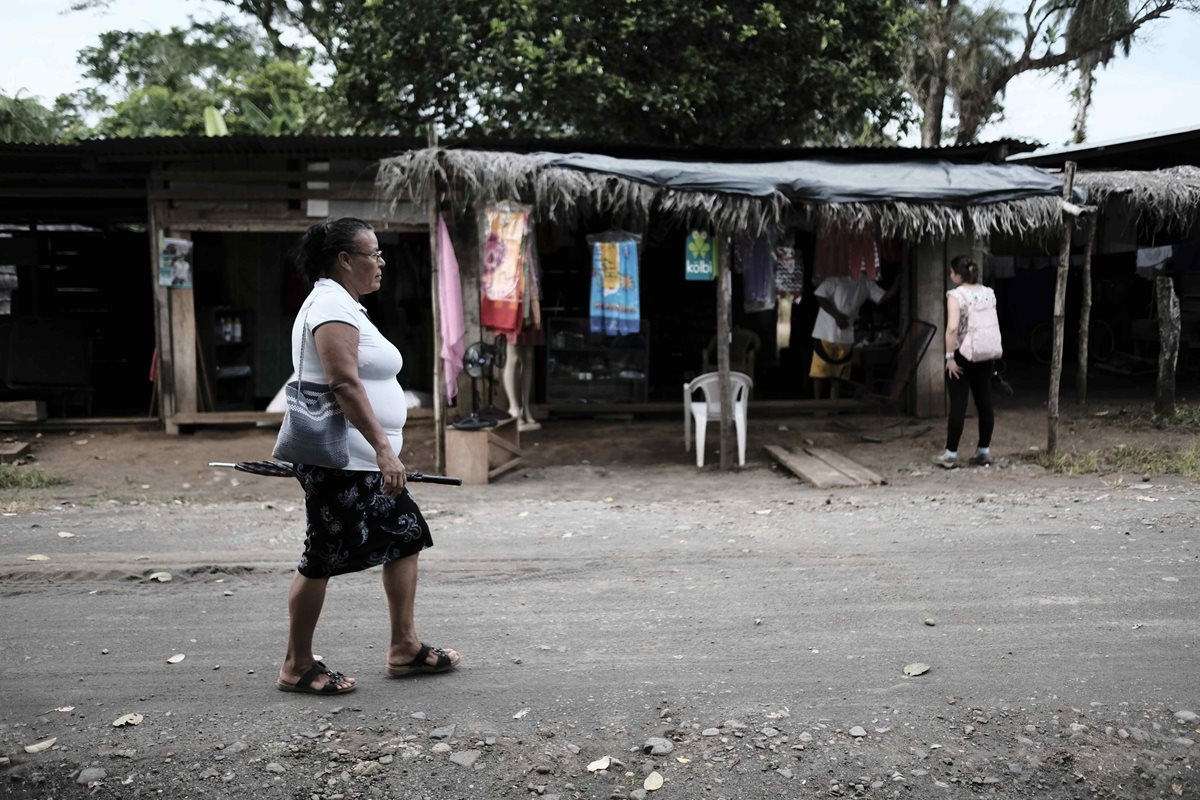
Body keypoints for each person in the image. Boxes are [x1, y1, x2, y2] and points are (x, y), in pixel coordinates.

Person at [275, 217, 461, 695]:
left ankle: (404, 645)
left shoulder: (346, 305)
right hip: (344, 460)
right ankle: (296, 663)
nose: (381, 262)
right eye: (373, 254)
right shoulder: (331, 306)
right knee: (321, 555)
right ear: (344, 260)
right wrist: (383, 449)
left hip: (361, 461)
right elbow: (342, 382)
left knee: (405, 534)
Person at [934, 255, 996, 469]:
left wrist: (950, 357)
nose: (951, 276)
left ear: (957, 275)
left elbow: (952, 328)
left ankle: (951, 454)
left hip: (963, 354)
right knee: (985, 402)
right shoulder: (989, 293)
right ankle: (983, 451)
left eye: (952, 272)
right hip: (985, 353)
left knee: (958, 404)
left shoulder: (956, 295)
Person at [809, 273, 898, 401]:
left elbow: (882, 298)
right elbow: (819, 294)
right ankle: (817, 406)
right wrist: (837, 316)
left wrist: (898, 282)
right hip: (825, 331)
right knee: (819, 373)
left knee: (838, 376)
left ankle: (834, 407)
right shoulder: (837, 277)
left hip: (846, 334)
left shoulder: (866, 283)